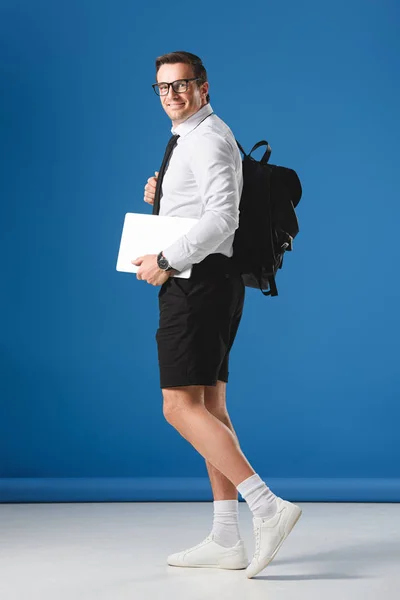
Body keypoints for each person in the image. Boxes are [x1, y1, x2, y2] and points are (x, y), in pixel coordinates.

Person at [132, 50, 302, 578]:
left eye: (183, 85)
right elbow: (205, 203)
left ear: (204, 87)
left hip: (197, 285)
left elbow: (222, 221)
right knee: (210, 406)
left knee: (178, 407)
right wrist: (166, 195)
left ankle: (267, 507)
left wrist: (165, 258)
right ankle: (227, 538)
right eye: (163, 87)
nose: (173, 95)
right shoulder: (194, 138)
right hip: (210, 285)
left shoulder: (205, 137)